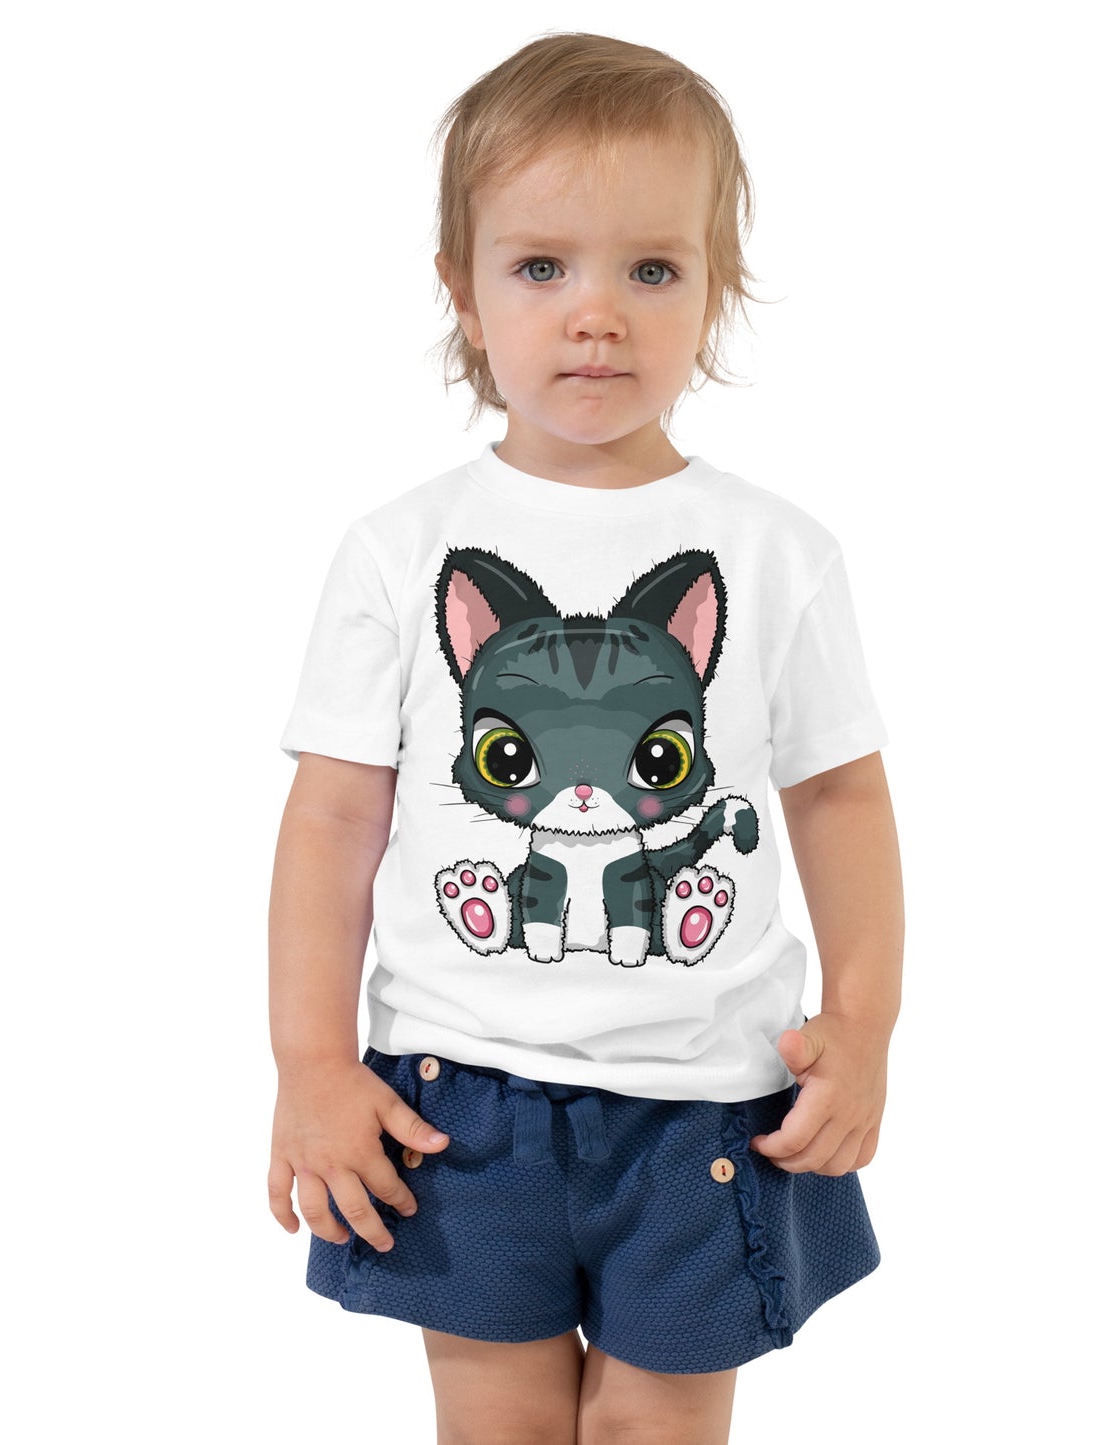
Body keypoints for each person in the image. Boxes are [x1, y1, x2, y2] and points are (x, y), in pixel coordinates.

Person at [268, 31, 904, 1445]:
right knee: (492, 1422)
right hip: (458, 1097)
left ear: (715, 287)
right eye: (542, 266)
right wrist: (310, 1064)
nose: (596, 315)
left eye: (652, 270)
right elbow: (332, 820)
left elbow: (842, 799)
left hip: (706, 1100)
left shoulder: (776, 553)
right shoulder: (398, 552)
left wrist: (863, 1024)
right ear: (464, 287)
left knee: (654, 1429)